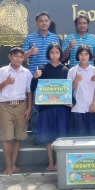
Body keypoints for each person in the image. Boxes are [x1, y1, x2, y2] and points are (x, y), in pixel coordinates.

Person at [0, 47, 33, 175]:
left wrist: (29, 108)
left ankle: (14, 164)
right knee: (7, 138)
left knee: (18, 137)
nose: (18, 59)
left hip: (21, 106)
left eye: (21, 56)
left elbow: (30, 91)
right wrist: (6, 82)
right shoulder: (2, 71)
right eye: (15, 56)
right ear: (10, 57)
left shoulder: (26, 73)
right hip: (5, 107)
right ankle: (8, 166)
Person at [31, 43, 71, 171]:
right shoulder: (42, 69)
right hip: (46, 108)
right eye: (52, 52)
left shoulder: (65, 70)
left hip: (61, 109)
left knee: (60, 136)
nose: (54, 55)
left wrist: (71, 101)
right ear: (48, 53)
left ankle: (59, 162)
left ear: (60, 54)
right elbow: (33, 88)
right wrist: (35, 78)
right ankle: (50, 162)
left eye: (57, 53)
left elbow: (70, 90)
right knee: (48, 137)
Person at [67, 45, 95, 136]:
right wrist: (76, 80)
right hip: (78, 107)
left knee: (93, 137)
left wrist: (94, 104)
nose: (84, 57)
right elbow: (69, 90)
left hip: (92, 107)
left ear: (89, 55)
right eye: (81, 54)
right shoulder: (72, 71)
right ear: (78, 56)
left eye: (86, 54)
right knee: (78, 137)